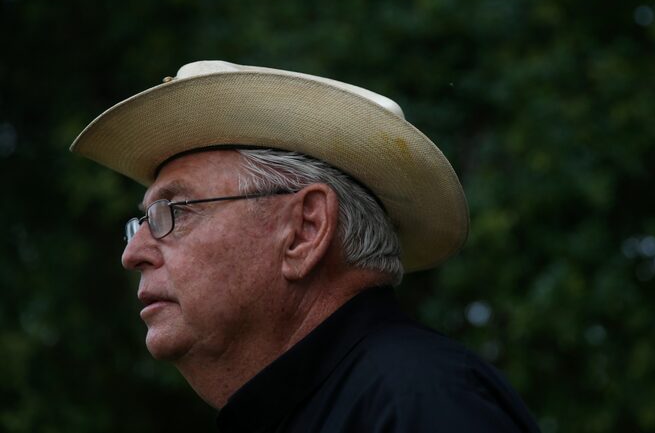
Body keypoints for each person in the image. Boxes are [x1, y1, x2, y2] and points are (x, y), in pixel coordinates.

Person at [72, 60, 540, 432]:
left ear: (305, 230)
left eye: (175, 212)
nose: (133, 254)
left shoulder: (420, 399)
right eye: (141, 223)